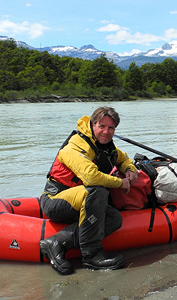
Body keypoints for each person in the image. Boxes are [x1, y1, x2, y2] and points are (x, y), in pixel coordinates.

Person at [39, 106, 137, 275]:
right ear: (92, 125)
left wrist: (130, 170)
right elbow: (91, 177)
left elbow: (124, 159)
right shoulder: (75, 146)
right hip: (55, 200)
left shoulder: (105, 146)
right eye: (102, 126)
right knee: (97, 191)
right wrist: (121, 183)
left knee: (113, 218)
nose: (106, 132)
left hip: (82, 202)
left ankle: (57, 242)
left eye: (111, 128)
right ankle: (91, 255)